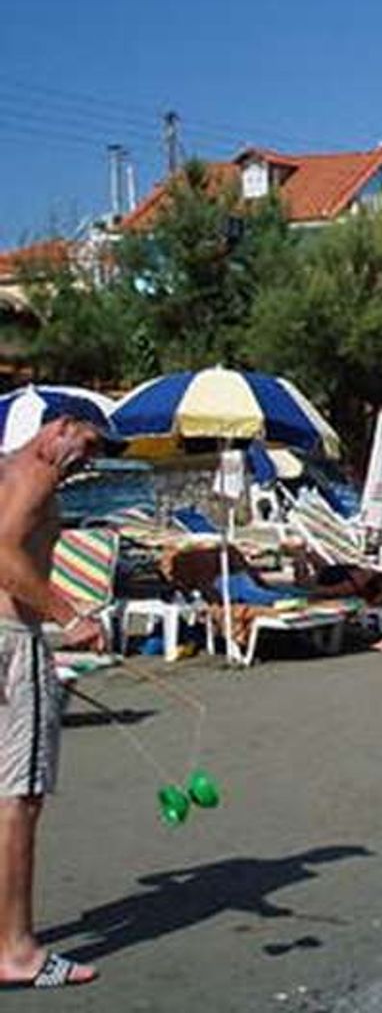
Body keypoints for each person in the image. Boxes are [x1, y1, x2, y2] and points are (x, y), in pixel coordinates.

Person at [0, 414, 113, 990]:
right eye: (87, 443)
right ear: (60, 426)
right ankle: (15, 951)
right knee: (19, 796)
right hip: (13, 645)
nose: (87, 459)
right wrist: (70, 614)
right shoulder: (36, 475)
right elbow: (3, 554)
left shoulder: (8, 470)